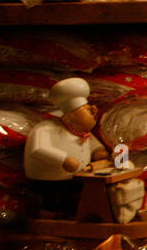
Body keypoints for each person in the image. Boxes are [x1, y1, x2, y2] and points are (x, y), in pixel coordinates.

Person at [24, 77, 109, 215]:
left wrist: (99, 152)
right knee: (51, 202)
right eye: (87, 110)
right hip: (48, 181)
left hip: (77, 179)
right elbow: (38, 149)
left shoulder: (82, 132)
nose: (94, 111)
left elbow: (94, 146)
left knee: (73, 202)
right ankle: (48, 216)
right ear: (69, 117)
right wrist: (63, 159)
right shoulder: (45, 128)